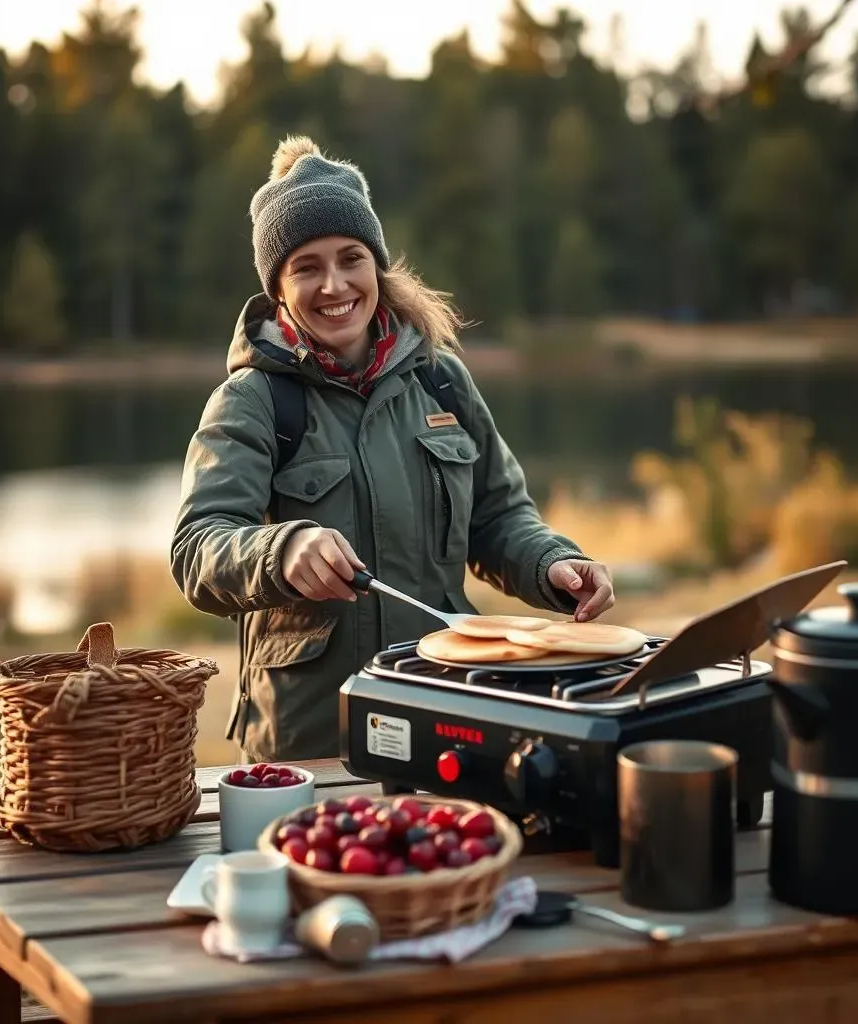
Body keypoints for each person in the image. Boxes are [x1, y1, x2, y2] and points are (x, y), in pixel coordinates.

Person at [170, 135, 616, 763]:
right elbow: (197, 549)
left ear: (375, 265)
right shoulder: (253, 401)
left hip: (444, 708)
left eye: (351, 258)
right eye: (306, 267)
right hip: (308, 741)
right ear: (277, 289)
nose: (334, 285)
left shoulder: (441, 378)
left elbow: (498, 516)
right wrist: (282, 549)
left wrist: (552, 565)